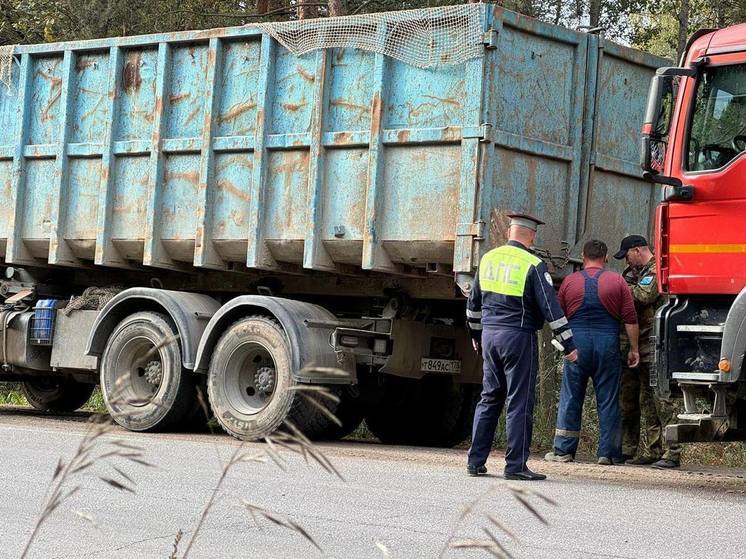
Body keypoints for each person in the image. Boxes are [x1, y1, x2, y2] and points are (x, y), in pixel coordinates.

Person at [466, 213, 578, 481]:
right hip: (518, 336)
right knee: (520, 401)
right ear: (532, 236)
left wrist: (475, 334)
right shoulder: (533, 264)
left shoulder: (488, 259)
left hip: (490, 336)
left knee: (489, 397)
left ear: (510, 231)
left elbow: (472, 305)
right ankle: (515, 465)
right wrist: (568, 344)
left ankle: (475, 461)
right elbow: (551, 308)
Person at [544, 240, 640, 465]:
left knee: (571, 397)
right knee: (608, 399)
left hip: (577, 345)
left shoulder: (569, 282)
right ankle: (608, 453)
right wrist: (634, 349)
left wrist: (564, 345)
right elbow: (630, 319)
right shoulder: (617, 281)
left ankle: (563, 451)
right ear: (605, 257)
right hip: (607, 345)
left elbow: (558, 317)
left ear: (583, 256)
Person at [614, 235, 682, 469]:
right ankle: (654, 450)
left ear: (636, 251)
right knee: (645, 401)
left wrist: (618, 290)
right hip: (638, 343)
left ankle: (673, 452)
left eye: (627, 256)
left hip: (655, 344)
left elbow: (643, 296)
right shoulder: (633, 275)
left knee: (662, 399)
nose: (626, 263)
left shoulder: (656, 270)